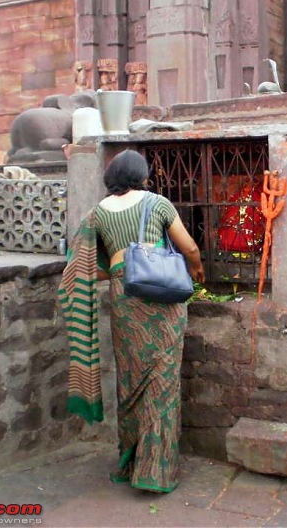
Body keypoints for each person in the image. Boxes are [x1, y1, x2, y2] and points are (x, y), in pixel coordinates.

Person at [59, 149, 204, 494]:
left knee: (131, 379)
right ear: (142, 176)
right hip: (164, 301)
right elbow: (190, 249)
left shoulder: (96, 214)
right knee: (163, 382)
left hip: (124, 301)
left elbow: (86, 268)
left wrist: (119, 268)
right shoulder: (158, 204)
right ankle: (156, 471)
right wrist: (198, 273)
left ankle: (130, 463)